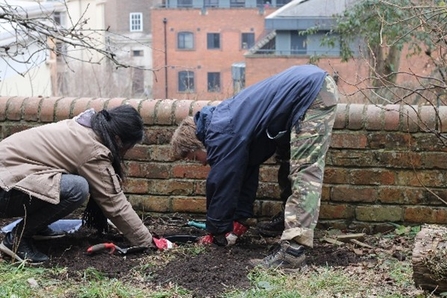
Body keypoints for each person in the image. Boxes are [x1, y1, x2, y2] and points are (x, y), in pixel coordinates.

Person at [170, 64, 338, 270]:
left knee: (305, 170)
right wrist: (240, 220)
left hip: (311, 93)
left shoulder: (222, 131)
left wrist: (217, 232)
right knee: (288, 162)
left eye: (196, 157)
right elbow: (245, 172)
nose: (202, 163)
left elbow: (222, 181)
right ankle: (289, 220)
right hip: (305, 90)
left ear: (198, 143)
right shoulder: (222, 123)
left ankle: (293, 252)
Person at [0, 105, 154, 264]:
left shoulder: (84, 126)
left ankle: (36, 227)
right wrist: (146, 241)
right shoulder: (91, 149)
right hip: (4, 189)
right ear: (118, 139)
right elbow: (113, 202)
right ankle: (17, 239)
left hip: (9, 179)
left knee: (69, 181)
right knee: (77, 189)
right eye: (128, 147)